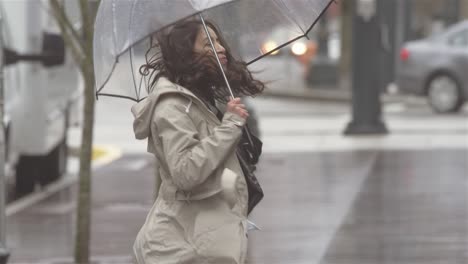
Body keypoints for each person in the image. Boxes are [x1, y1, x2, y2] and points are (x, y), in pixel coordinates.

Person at [131, 18, 265, 264]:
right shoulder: (172, 107)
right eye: (208, 43)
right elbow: (185, 172)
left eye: (218, 40)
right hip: (180, 249)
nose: (221, 47)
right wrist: (230, 126)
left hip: (202, 242)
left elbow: (217, 170)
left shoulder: (200, 100)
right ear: (186, 53)